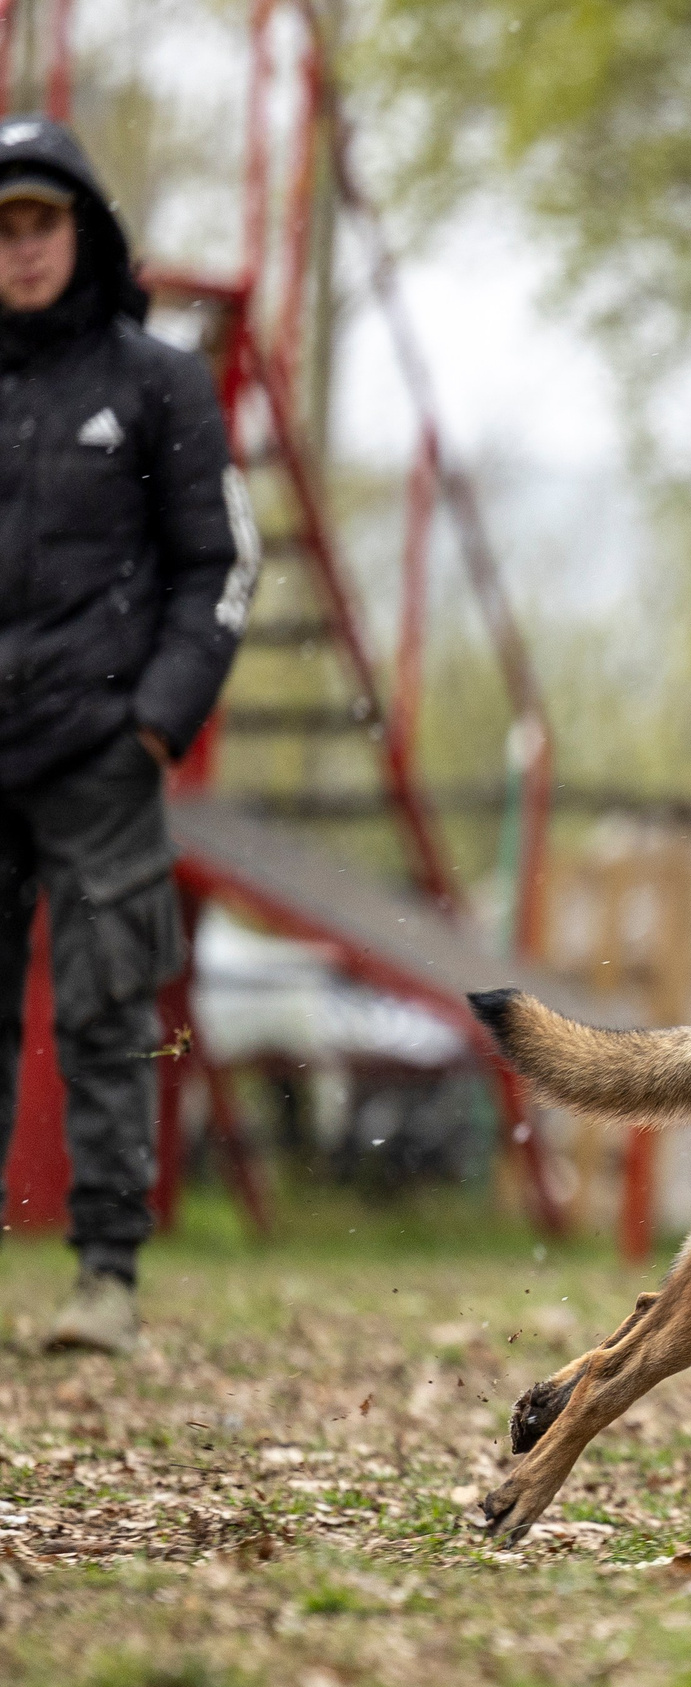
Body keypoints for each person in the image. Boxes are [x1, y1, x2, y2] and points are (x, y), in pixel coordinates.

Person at [0, 115, 256, 1354]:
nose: (22, 247)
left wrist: (156, 720)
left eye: (40, 220)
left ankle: (107, 1277)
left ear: (84, 231)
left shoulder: (159, 384)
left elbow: (221, 563)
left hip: (101, 754)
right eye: (2, 226)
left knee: (108, 1010)